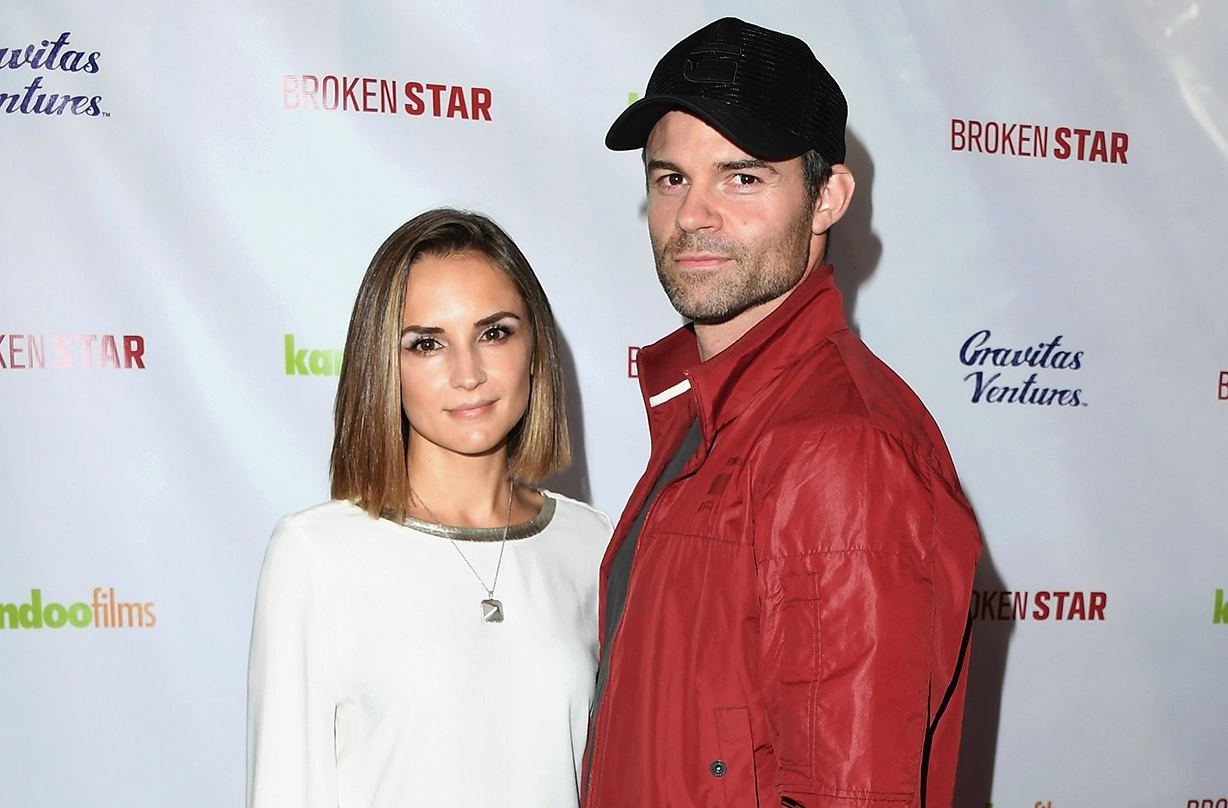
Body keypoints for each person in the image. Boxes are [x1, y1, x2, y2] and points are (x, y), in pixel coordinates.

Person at [583, 18, 983, 808]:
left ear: (827, 198)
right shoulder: (708, 414)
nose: (693, 215)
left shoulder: (841, 448)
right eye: (671, 179)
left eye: (741, 178)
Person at [247, 208, 612, 808]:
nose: (468, 374)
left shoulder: (594, 544)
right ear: (383, 364)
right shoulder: (316, 554)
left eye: (494, 333)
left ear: (534, 347)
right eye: (427, 344)